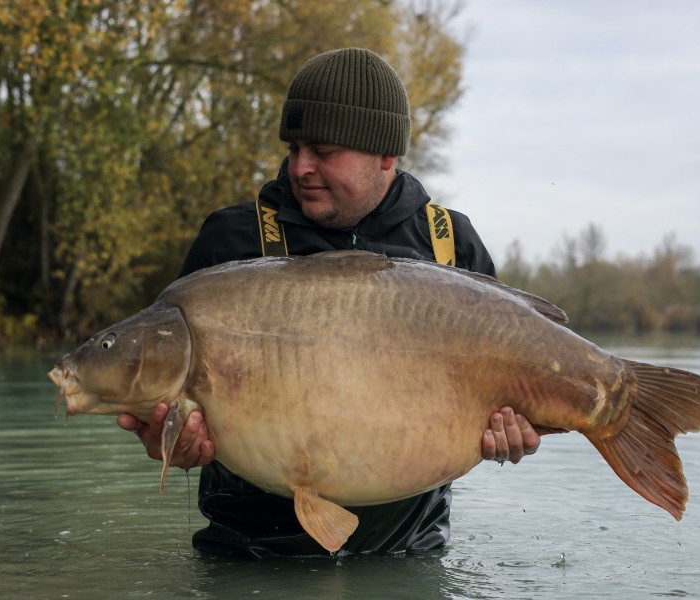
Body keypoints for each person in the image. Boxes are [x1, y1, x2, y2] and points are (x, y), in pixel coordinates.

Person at [117, 47, 541, 558]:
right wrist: (171, 441)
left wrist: (510, 437)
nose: (300, 168)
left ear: (386, 155)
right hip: (251, 557)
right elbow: (177, 408)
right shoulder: (232, 242)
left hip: (409, 562)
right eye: (294, 148)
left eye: (322, 150)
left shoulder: (451, 245)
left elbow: (503, 404)